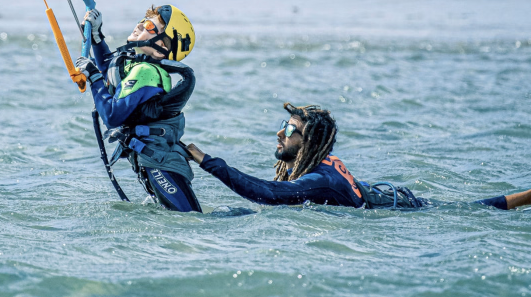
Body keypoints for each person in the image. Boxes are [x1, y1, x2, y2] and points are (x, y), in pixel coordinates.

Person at [186, 103, 531, 211]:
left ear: (308, 142)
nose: (280, 133)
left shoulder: (319, 178)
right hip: (381, 196)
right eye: (283, 126)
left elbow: (270, 194)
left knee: (473, 209)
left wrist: (207, 161)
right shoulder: (314, 168)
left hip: (399, 210)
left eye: (290, 129)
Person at [74, 5, 202, 212]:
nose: (140, 25)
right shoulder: (142, 67)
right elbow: (112, 71)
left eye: (149, 25)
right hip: (159, 161)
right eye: (143, 20)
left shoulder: (145, 72)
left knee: (190, 219)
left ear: (160, 44)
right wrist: (97, 37)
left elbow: (113, 116)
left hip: (162, 165)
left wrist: (95, 78)